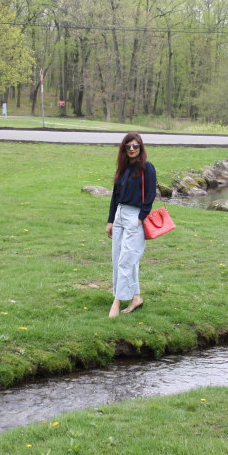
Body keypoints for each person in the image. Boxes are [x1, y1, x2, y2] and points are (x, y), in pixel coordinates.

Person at [105, 132, 156, 318]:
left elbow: (150, 195)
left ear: (141, 147)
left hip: (135, 216)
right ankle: (136, 297)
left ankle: (117, 301)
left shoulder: (147, 168)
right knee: (118, 258)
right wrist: (111, 220)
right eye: (128, 146)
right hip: (120, 215)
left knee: (127, 259)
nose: (132, 149)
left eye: (136, 146)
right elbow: (115, 196)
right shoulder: (123, 168)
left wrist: (141, 218)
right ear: (124, 148)